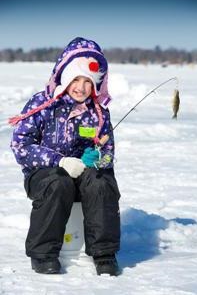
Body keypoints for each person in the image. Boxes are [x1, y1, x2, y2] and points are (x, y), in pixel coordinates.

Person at [10, 37, 121, 276]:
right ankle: (43, 253)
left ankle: (104, 253)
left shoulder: (99, 113)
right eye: (76, 79)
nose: (80, 87)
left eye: (88, 82)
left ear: (95, 85)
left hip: (84, 176)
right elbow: (20, 144)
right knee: (58, 182)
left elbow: (108, 152)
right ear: (65, 77)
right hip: (44, 176)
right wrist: (59, 161)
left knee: (102, 181)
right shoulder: (43, 103)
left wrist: (97, 156)